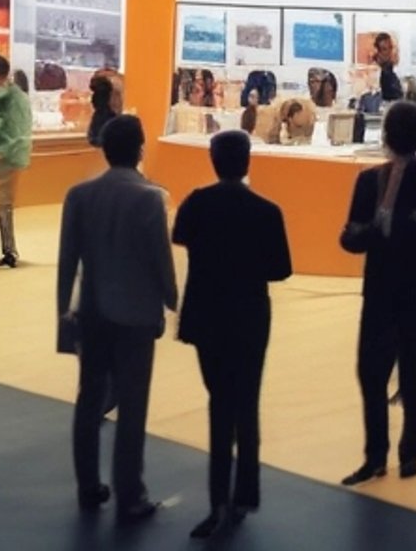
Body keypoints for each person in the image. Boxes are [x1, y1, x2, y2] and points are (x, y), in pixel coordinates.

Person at [172, 129, 293, 538]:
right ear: (247, 161)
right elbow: (280, 269)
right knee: (247, 402)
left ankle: (217, 501)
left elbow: (180, 236)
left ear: (213, 160)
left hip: (207, 312)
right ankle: (245, 494)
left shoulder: (197, 203)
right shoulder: (266, 211)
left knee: (219, 402)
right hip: (249, 314)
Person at [57, 114, 176, 522]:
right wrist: (173, 301)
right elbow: (160, 261)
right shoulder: (150, 198)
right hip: (136, 314)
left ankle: (88, 485)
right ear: (141, 149)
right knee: (132, 406)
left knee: (89, 399)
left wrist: (64, 314)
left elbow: (67, 263)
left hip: (92, 311)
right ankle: (130, 493)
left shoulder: (79, 195)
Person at [339, 99, 416, 485]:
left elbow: (350, 238)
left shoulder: (396, 181)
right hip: (411, 288)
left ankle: (381, 455)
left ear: (387, 134)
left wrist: (381, 230)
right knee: (408, 372)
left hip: (392, 287)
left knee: (382, 372)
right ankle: (406, 454)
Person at [0, 50, 32, 268]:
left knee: (2, 204)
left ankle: (9, 250)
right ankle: (8, 248)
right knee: (4, 203)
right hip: (14, 151)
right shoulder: (15, 93)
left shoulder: (1, 94)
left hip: (5, 153)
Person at [369, 30, 403, 104]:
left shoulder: (392, 70)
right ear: (377, 51)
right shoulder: (373, 72)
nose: (389, 52)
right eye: (384, 49)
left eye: (390, 47)